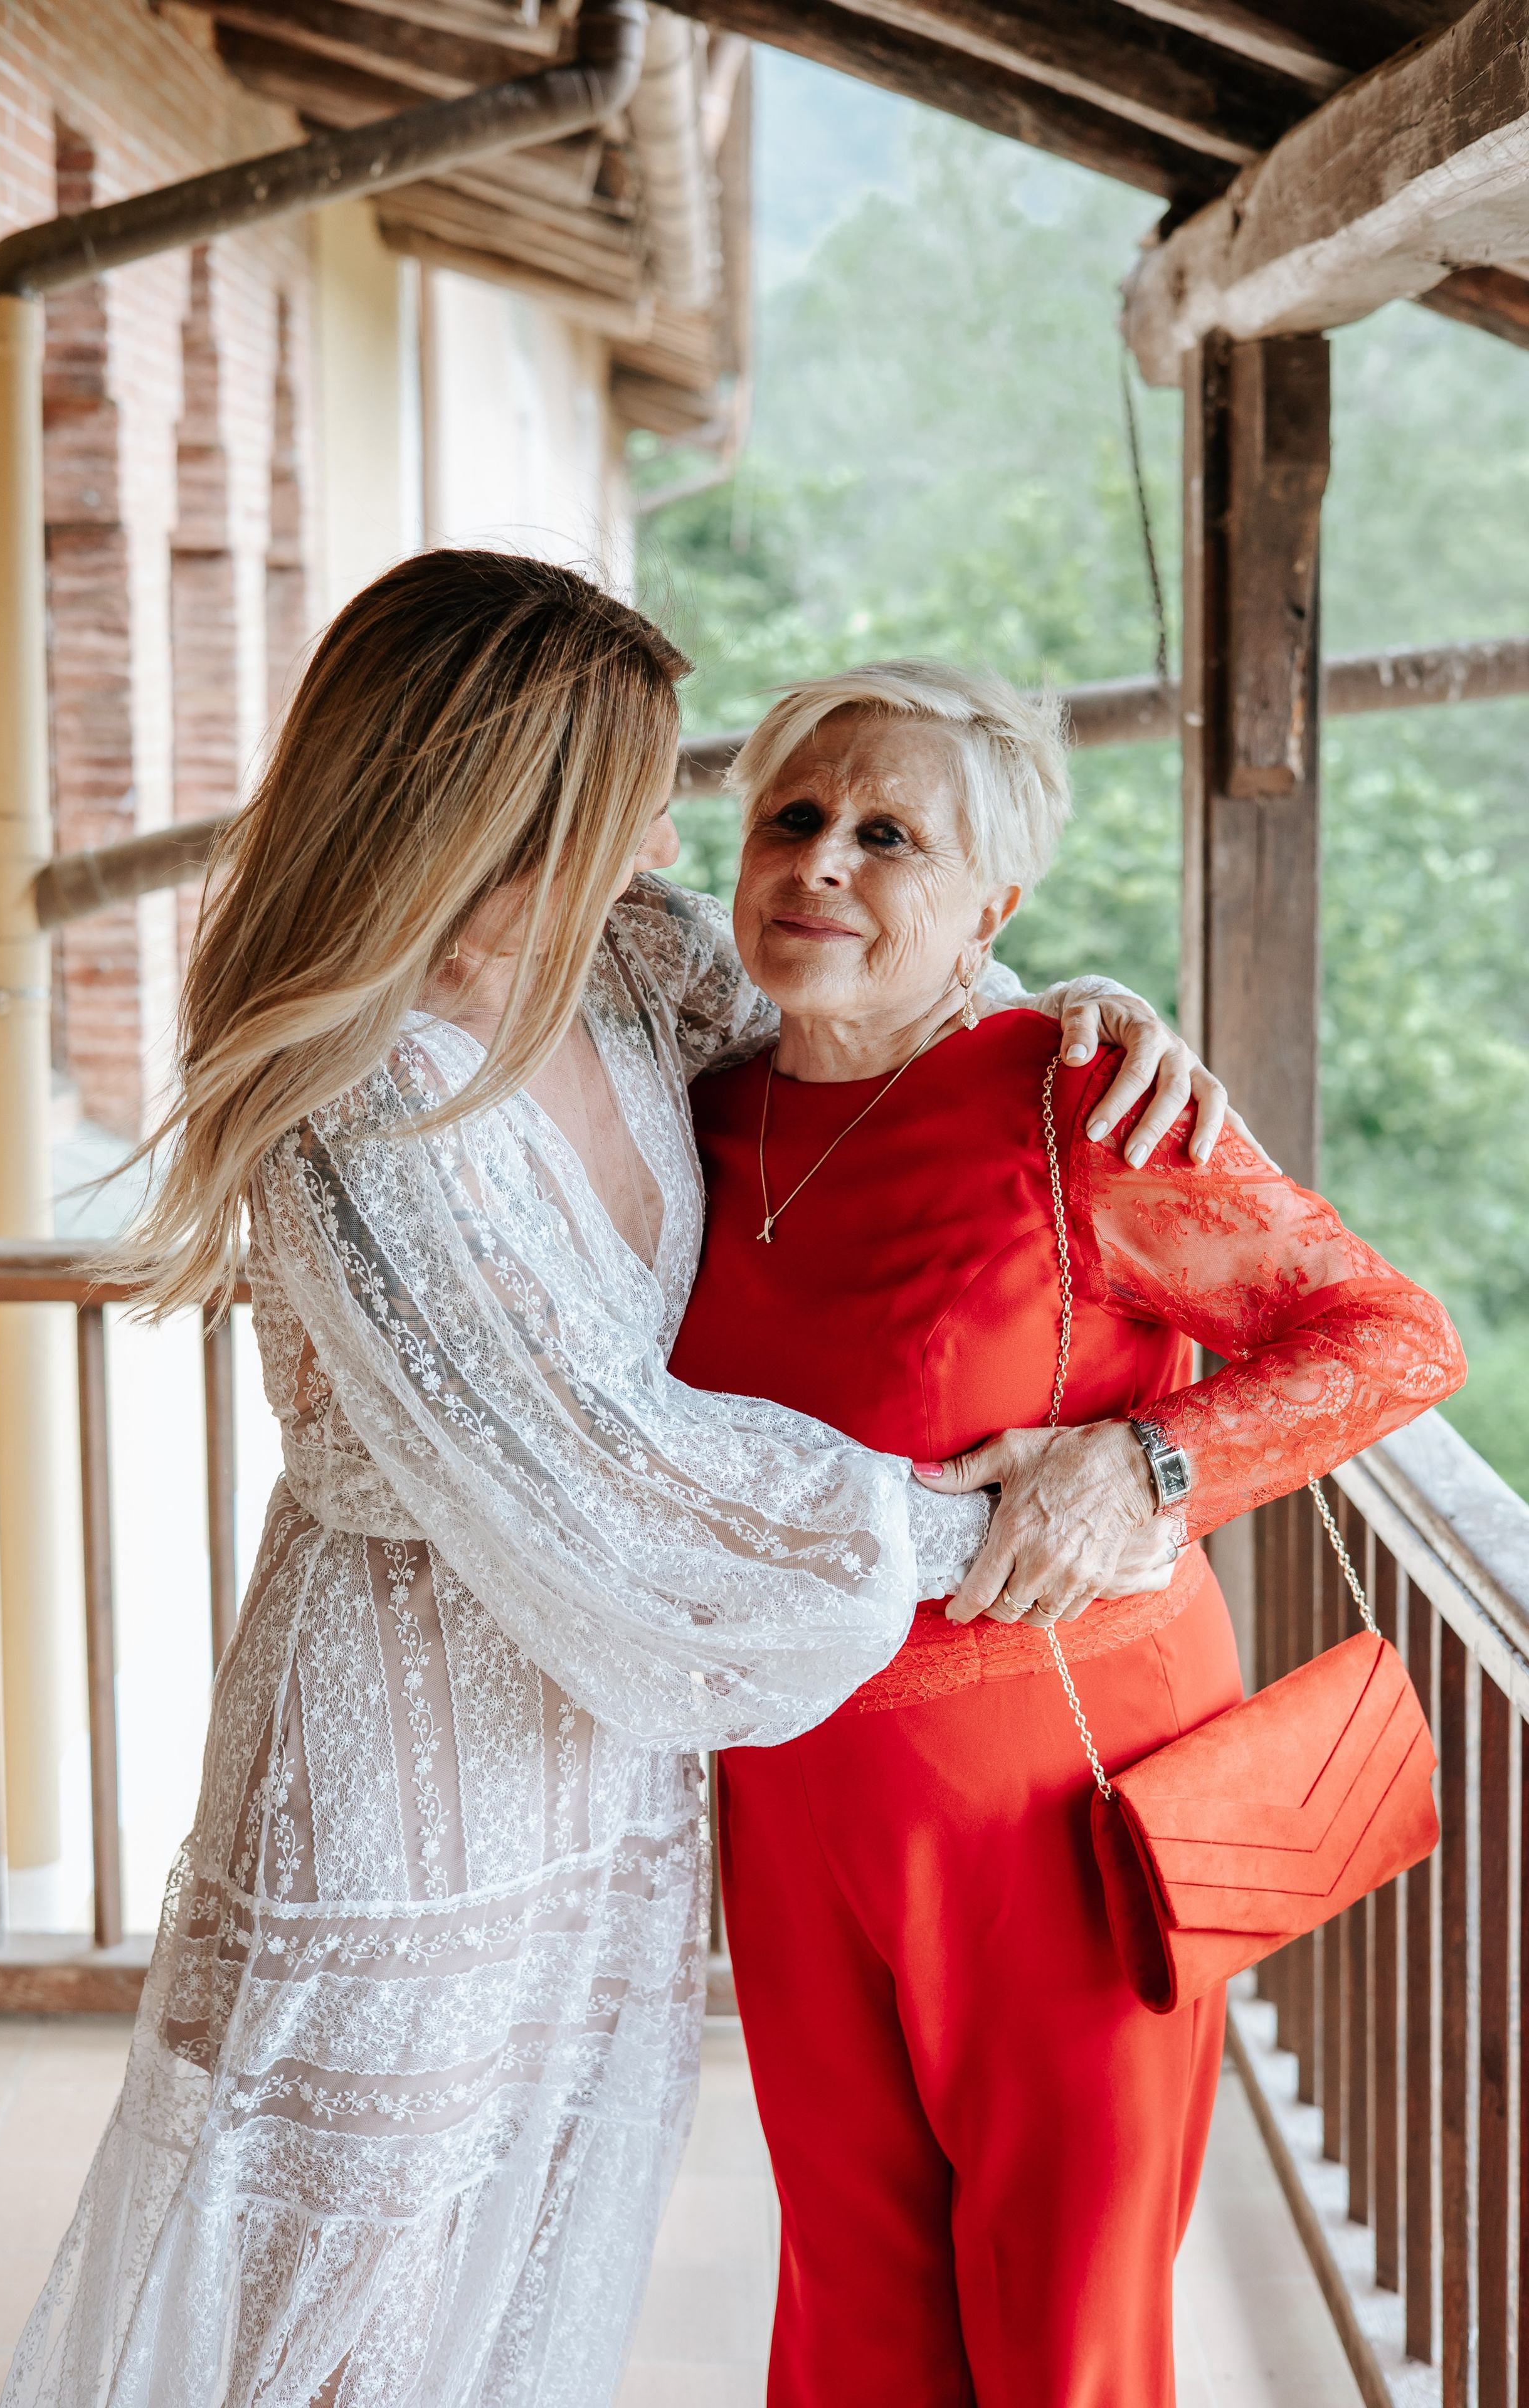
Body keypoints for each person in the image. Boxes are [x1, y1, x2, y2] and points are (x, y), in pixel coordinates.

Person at [3, 559, 1224, 2408]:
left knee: (533, 2250)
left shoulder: (631, 971)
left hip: (611, 1743)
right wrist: (1013, 1518)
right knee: (347, 2274)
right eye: (645, 781)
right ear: (515, 792)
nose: (682, 824)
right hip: (418, 1752)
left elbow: (875, 1014)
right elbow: (601, 1464)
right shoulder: (353, 1086)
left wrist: (1076, 1009)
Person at [667, 659, 1467, 2408]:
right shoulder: (699, 1119)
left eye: (891, 835)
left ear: (991, 908)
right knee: (854, 2315)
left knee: (1062, 2340)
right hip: (795, 1803)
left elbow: (1394, 1338)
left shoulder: (1081, 1106)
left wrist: (1152, 1470)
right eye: (794, 818)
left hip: (1064, 1811)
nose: (822, 862)